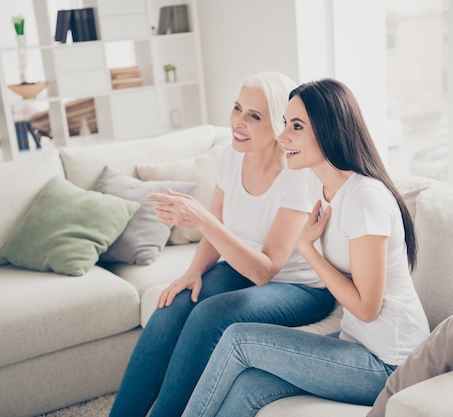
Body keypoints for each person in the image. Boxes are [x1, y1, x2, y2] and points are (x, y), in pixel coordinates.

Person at [181, 78, 431, 417]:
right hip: (356, 345)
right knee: (248, 384)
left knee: (238, 339)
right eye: (285, 124)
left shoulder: (365, 198)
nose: (282, 137)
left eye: (296, 127)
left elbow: (367, 308)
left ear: (329, 131)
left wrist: (307, 249)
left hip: (390, 364)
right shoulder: (323, 188)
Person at [108, 72, 336, 417]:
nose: (238, 122)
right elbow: (217, 228)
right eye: (237, 108)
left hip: (299, 287)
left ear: (278, 125)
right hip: (239, 267)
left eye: (253, 116)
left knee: (209, 316)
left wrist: (201, 219)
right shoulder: (231, 158)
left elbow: (265, 270)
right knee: (173, 301)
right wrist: (192, 272)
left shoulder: (298, 178)